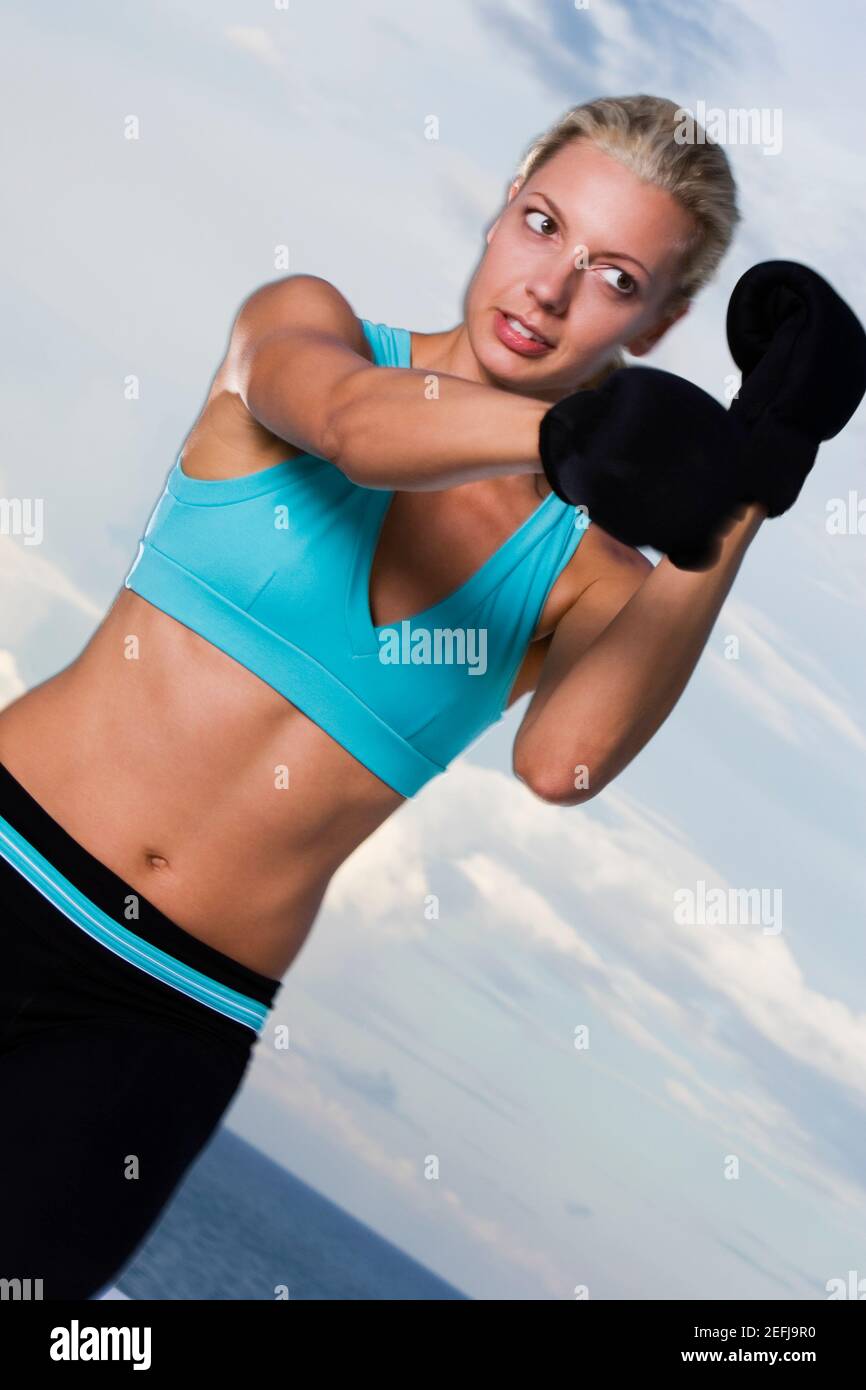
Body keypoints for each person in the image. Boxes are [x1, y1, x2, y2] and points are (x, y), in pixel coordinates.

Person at [0, 93, 789, 1299]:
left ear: (664, 320)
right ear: (495, 212)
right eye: (537, 223)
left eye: (614, 276)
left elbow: (560, 766)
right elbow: (358, 430)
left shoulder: (587, 573)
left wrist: (745, 481)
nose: (547, 288)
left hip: (164, 1019)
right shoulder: (307, 330)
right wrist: (568, 440)